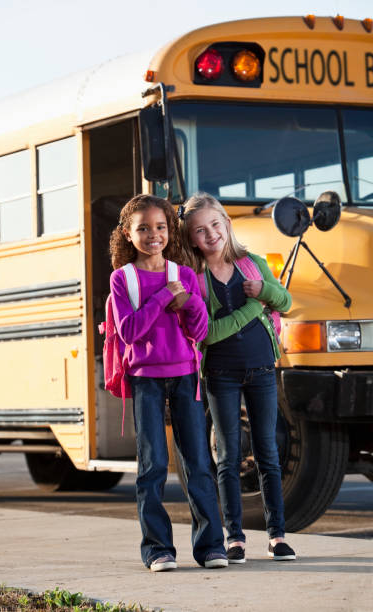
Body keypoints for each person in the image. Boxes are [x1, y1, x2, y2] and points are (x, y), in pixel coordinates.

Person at [108, 194, 227, 572]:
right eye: (143, 228)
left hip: (185, 377)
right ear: (128, 234)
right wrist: (163, 297)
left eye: (160, 227)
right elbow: (128, 331)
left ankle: (211, 547)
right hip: (145, 380)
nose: (153, 235)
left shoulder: (184, 274)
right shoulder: (122, 278)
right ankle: (157, 549)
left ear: (169, 231)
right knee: (153, 465)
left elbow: (200, 329)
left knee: (197, 463)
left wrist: (188, 302)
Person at [179, 192, 296, 563]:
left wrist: (265, 291)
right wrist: (252, 307)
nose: (211, 234)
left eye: (215, 225)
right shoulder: (196, 279)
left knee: (268, 454)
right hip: (220, 374)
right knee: (228, 457)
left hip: (262, 369)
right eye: (200, 231)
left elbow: (286, 301)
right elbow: (209, 335)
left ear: (227, 225)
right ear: (192, 239)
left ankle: (277, 535)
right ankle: (235, 537)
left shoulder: (252, 264)